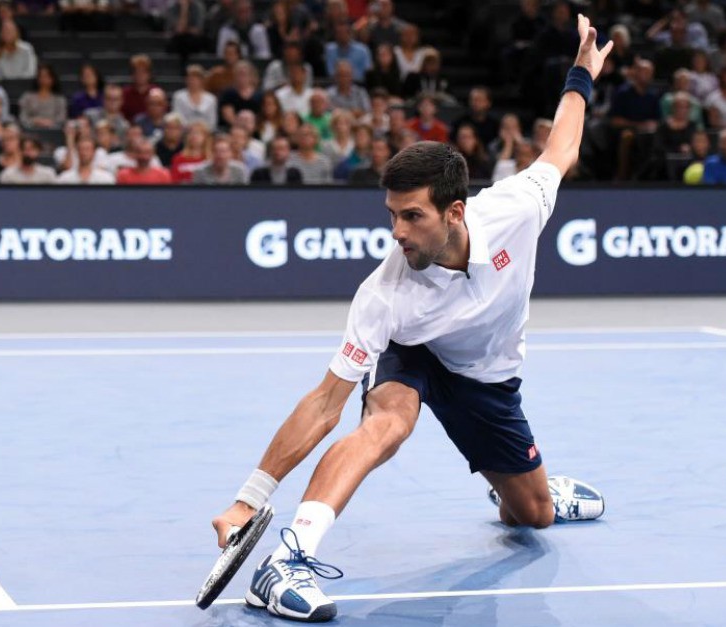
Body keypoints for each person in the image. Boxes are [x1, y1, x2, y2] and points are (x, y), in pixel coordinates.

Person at [211, 15, 610, 622]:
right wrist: (249, 499)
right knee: (387, 426)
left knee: (533, 518)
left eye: (411, 216)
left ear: (455, 211)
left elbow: (564, 145)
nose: (397, 230)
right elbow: (325, 404)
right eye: (391, 214)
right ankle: (288, 561)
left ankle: (524, 485)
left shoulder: (517, 209)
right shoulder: (386, 292)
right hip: (415, 351)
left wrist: (581, 72)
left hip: (487, 377)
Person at [19, 63, 66, 129]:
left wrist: (49, 123)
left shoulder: (59, 99)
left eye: (46, 76)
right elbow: (23, 117)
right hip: (31, 131)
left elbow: (61, 119)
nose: (43, 79)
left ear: (53, 79)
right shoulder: (27, 97)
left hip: (53, 131)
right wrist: (35, 121)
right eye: (41, 76)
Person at [173, 64, 217, 130]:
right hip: (184, 132)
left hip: (205, 132)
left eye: (195, 79)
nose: (192, 81)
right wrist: (191, 128)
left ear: (202, 80)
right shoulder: (178, 97)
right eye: (190, 78)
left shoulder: (211, 99)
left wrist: (201, 129)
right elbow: (177, 117)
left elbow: (212, 121)